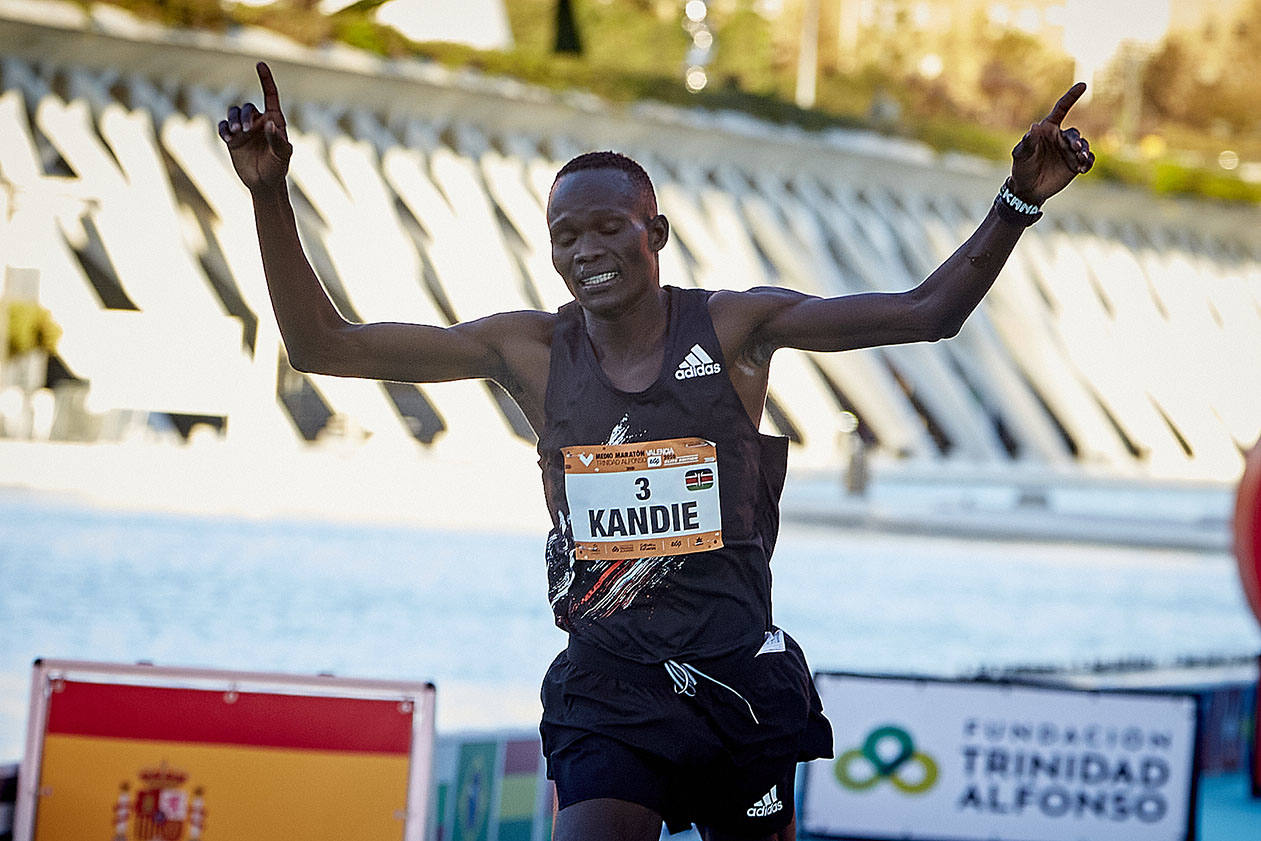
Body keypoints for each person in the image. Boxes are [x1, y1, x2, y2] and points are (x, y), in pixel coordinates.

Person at [219, 62, 1094, 841]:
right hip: (608, 688)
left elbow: (922, 314)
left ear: (657, 232)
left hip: (735, 683)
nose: (587, 251)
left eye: (608, 228)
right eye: (566, 236)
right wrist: (267, 194)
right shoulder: (526, 350)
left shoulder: (735, 328)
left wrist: (1017, 201)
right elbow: (325, 346)